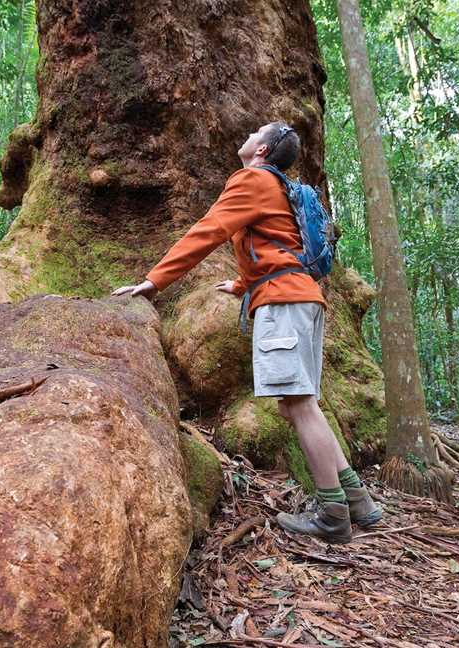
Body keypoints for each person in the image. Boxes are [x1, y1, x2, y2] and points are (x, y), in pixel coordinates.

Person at [112, 121, 382, 543]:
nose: (248, 134)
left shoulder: (252, 180)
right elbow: (280, 244)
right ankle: (357, 499)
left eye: (256, 132)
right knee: (302, 405)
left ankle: (332, 513)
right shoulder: (281, 187)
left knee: (299, 406)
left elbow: (210, 229)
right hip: (303, 298)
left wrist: (155, 280)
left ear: (262, 150)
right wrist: (241, 283)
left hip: (283, 303)